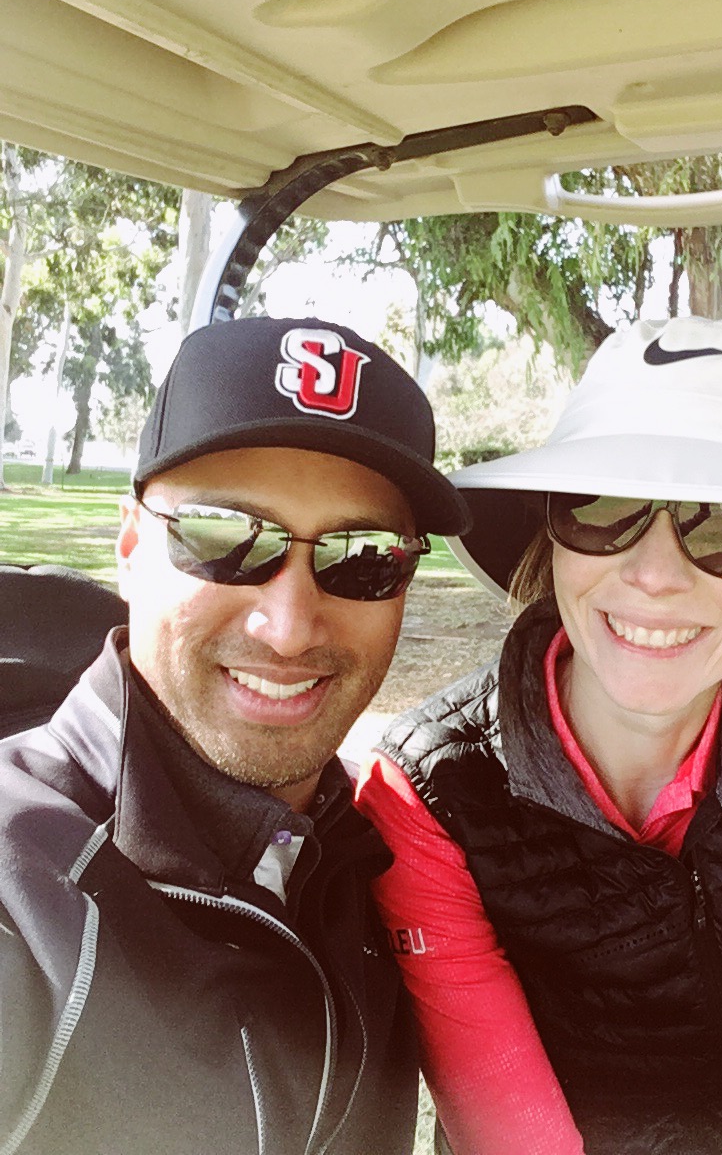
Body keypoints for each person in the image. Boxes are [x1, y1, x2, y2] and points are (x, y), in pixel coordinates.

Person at [356, 316, 722, 1155]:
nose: (655, 576)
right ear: (550, 526)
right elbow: (516, 1134)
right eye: (605, 506)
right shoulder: (430, 794)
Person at [0, 316, 470, 1155]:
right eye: (223, 537)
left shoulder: (373, 860)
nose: (288, 628)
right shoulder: (21, 891)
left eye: (362, 556)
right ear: (131, 545)